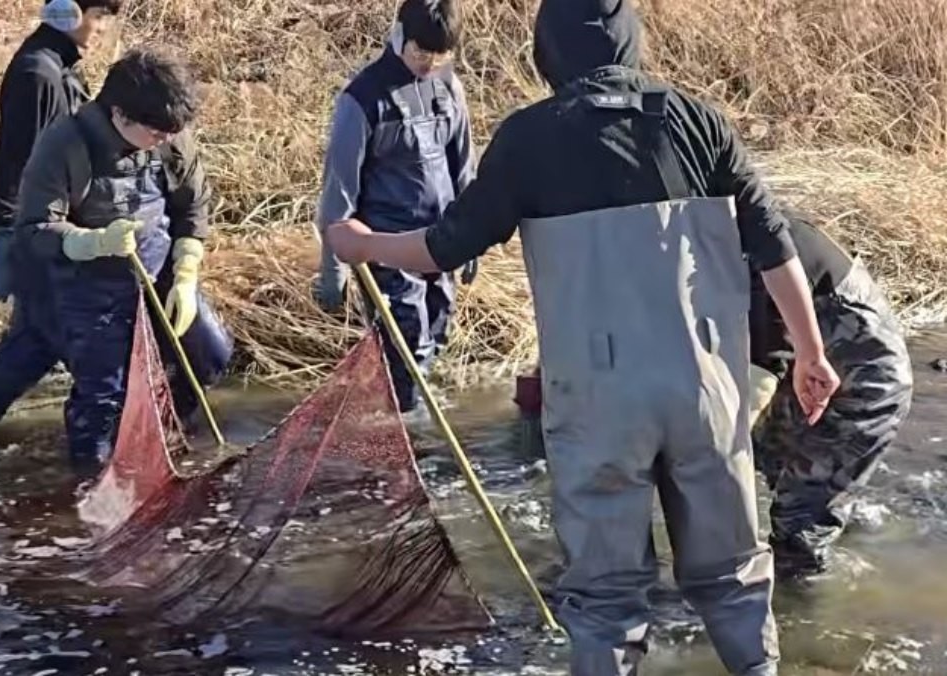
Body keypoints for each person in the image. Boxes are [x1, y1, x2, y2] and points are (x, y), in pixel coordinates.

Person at [325, 0, 841, 673]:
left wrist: (362, 244)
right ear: (631, 41)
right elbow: (773, 245)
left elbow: (444, 248)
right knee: (735, 577)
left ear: (550, 50)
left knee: (605, 601)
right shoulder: (698, 120)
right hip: (706, 385)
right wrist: (810, 351)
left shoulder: (529, 138)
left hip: (599, 397)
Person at [0, 47, 230, 474]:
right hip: (75, 284)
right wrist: (94, 242)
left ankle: (161, 430)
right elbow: (34, 230)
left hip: (155, 275)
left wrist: (187, 272)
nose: (166, 140)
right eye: (156, 133)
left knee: (210, 353)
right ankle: (80, 491)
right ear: (120, 115)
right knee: (95, 398)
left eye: (171, 133)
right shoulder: (65, 143)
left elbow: (192, 206)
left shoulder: (169, 133)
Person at [314, 0, 477, 413]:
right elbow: (339, 190)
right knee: (408, 343)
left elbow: (464, 167)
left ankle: (413, 423)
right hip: (385, 247)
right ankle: (407, 438)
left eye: (440, 54)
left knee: (437, 331)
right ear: (399, 34)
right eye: (422, 52)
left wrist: (472, 237)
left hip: (439, 241)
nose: (430, 62)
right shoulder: (362, 99)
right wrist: (332, 267)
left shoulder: (448, 88)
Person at [746, 208, 913, 580]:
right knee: (771, 461)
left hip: (863, 387)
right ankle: (849, 522)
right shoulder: (727, 226)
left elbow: (763, 369)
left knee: (798, 529)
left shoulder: (757, 244)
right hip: (804, 375)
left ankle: (805, 617)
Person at [0, 0, 120, 302]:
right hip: (36, 235)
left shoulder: (61, 67)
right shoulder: (39, 75)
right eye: (100, 17)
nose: (104, 29)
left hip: (55, 229)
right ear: (68, 11)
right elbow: (17, 162)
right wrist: (7, 239)